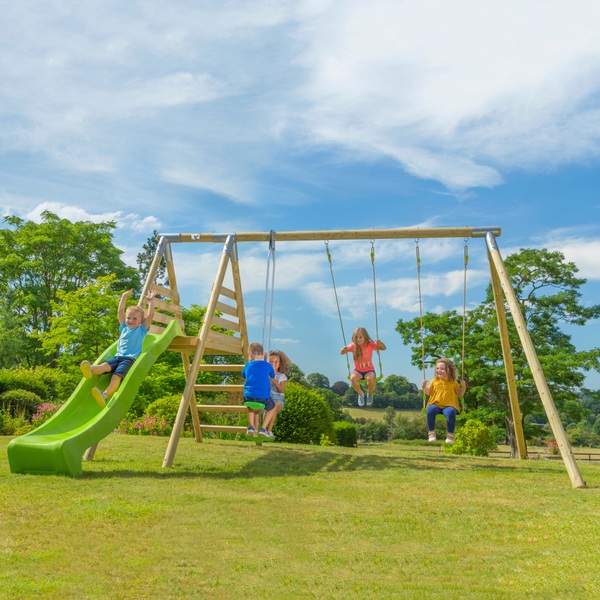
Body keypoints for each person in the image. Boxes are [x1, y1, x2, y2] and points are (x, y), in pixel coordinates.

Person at [80, 289, 156, 408]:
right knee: (104, 366)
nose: (130, 321)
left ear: (141, 321)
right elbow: (120, 311)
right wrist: (124, 297)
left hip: (129, 360)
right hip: (117, 357)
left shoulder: (141, 330)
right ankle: (90, 370)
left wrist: (151, 301)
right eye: (128, 318)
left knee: (116, 377)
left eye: (135, 319)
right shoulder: (124, 327)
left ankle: (105, 395)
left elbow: (151, 315)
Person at [422, 358, 466, 444]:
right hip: (436, 404)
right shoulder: (434, 381)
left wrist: (463, 387)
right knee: (430, 410)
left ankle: (450, 434)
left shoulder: (453, 382)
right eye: (437, 368)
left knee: (450, 412)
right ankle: (431, 432)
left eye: (442, 369)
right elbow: (428, 392)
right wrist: (424, 387)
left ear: (449, 371)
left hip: (449, 405)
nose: (439, 370)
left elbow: (459, 394)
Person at [340, 327, 386, 406]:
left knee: (370, 379)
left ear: (365, 337)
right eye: (356, 337)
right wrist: (343, 350)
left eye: (360, 337)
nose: (358, 339)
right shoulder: (353, 346)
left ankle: (370, 394)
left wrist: (379, 342)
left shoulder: (370, 344)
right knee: (352, 379)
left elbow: (383, 348)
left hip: (369, 370)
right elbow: (342, 352)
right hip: (358, 371)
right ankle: (360, 394)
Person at [241, 342, 276, 438]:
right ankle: (263, 429)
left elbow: (244, 375)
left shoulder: (248, 365)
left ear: (250, 354)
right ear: (263, 354)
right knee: (272, 407)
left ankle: (251, 427)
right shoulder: (267, 365)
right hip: (263, 397)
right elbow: (273, 375)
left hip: (248, 396)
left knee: (250, 407)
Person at [261, 349, 291, 439]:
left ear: (279, 364)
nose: (273, 364)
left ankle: (267, 430)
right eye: (270, 362)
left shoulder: (282, 376)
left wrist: (273, 379)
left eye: (276, 362)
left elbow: (281, 390)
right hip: (267, 398)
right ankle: (267, 431)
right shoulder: (264, 374)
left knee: (274, 405)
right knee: (271, 406)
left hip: (278, 399)